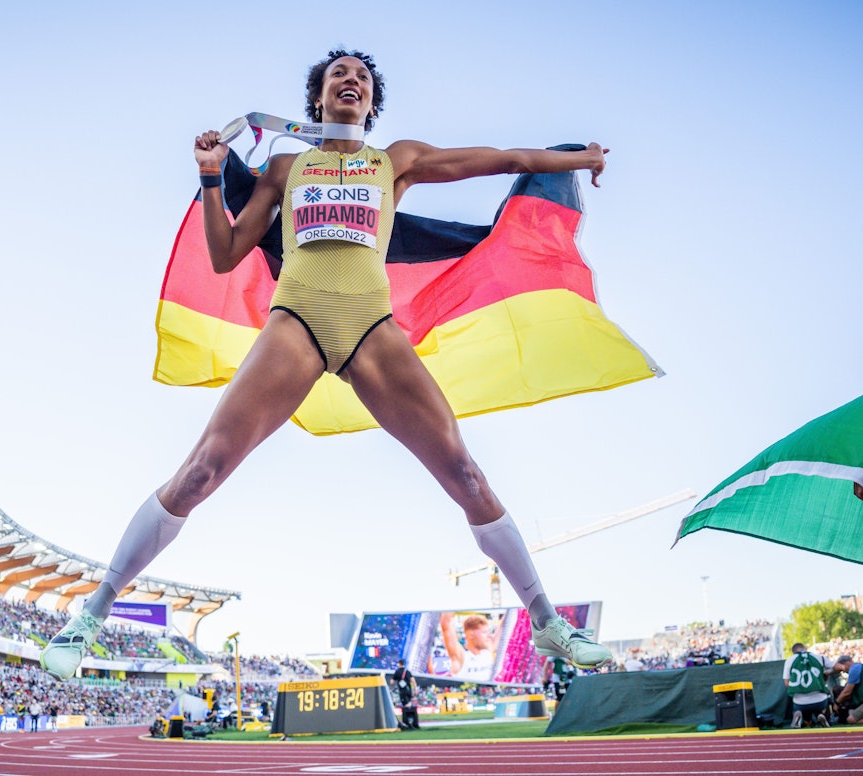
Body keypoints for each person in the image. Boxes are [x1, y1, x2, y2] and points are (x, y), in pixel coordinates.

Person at [41, 48, 613, 680]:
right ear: (318, 96)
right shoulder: (287, 165)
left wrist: (582, 161)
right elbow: (228, 254)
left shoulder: (397, 161)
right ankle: (89, 615)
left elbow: (510, 160)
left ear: (371, 103)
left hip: (370, 325)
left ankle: (548, 622)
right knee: (202, 469)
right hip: (298, 323)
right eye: (339, 73)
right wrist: (210, 178)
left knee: (465, 473)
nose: (352, 80)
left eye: (363, 77)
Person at [783, 642, 835, 728]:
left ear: (793, 652)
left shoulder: (789, 661)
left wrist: (801, 689)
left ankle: (800, 715)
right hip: (820, 700)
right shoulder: (818, 657)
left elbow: (787, 684)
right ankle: (822, 715)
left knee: (801, 705)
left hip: (800, 702)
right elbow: (836, 666)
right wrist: (826, 674)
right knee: (820, 702)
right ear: (805, 649)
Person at [438, 612, 502, 681]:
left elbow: (504, 625)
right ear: (471, 635)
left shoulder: (488, 650)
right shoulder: (460, 656)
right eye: (484, 632)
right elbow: (445, 625)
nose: (489, 636)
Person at [835, 655, 863, 725]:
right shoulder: (859, 667)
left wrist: (836, 703)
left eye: (842, 669)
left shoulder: (854, 669)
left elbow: (847, 692)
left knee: (851, 720)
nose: (843, 672)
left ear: (845, 664)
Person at [391, 659, 419, 729]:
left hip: (403, 692)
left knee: (406, 707)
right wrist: (415, 690)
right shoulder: (408, 672)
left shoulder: (397, 672)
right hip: (409, 691)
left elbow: (392, 682)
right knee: (408, 704)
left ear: (399, 664)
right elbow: (413, 681)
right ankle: (410, 722)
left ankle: (409, 723)